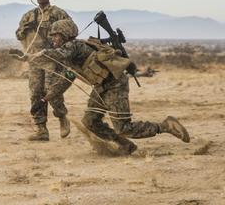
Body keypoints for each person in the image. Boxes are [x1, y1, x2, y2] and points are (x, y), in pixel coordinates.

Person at [35, 19, 190, 155]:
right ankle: (125, 145)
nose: (53, 39)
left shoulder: (75, 46)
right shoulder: (72, 56)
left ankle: (165, 126)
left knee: (124, 128)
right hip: (101, 87)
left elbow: (57, 54)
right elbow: (65, 80)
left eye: (55, 35)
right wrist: (44, 99)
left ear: (64, 34)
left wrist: (35, 56)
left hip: (115, 85)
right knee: (90, 121)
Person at [15, 0, 72, 141]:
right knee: (36, 93)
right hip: (34, 60)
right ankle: (41, 129)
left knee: (51, 91)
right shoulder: (29, 15)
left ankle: (62, 117)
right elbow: (19, 35)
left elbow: (72, 30)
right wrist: (25, 29)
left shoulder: (58, 13)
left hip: (53, 59)